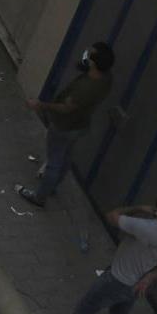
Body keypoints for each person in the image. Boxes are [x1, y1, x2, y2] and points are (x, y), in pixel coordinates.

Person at [48, 197, 157, 314]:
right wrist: (150, 277)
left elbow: (111, 216)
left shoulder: (147, 228)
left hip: (117, 278)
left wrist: (138, 208)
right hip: (137, 283)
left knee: (87, 307)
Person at [18, 42, 115, 206]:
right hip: (80, 125)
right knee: (65, 157)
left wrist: (40, 105)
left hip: (64, 126)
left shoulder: (85, 87)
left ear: (93, 62)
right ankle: (52, 186)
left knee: (54, 161)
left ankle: (40, 197)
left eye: (89, 54)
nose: (85, 54)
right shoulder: (106, 78)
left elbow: (65, 108)